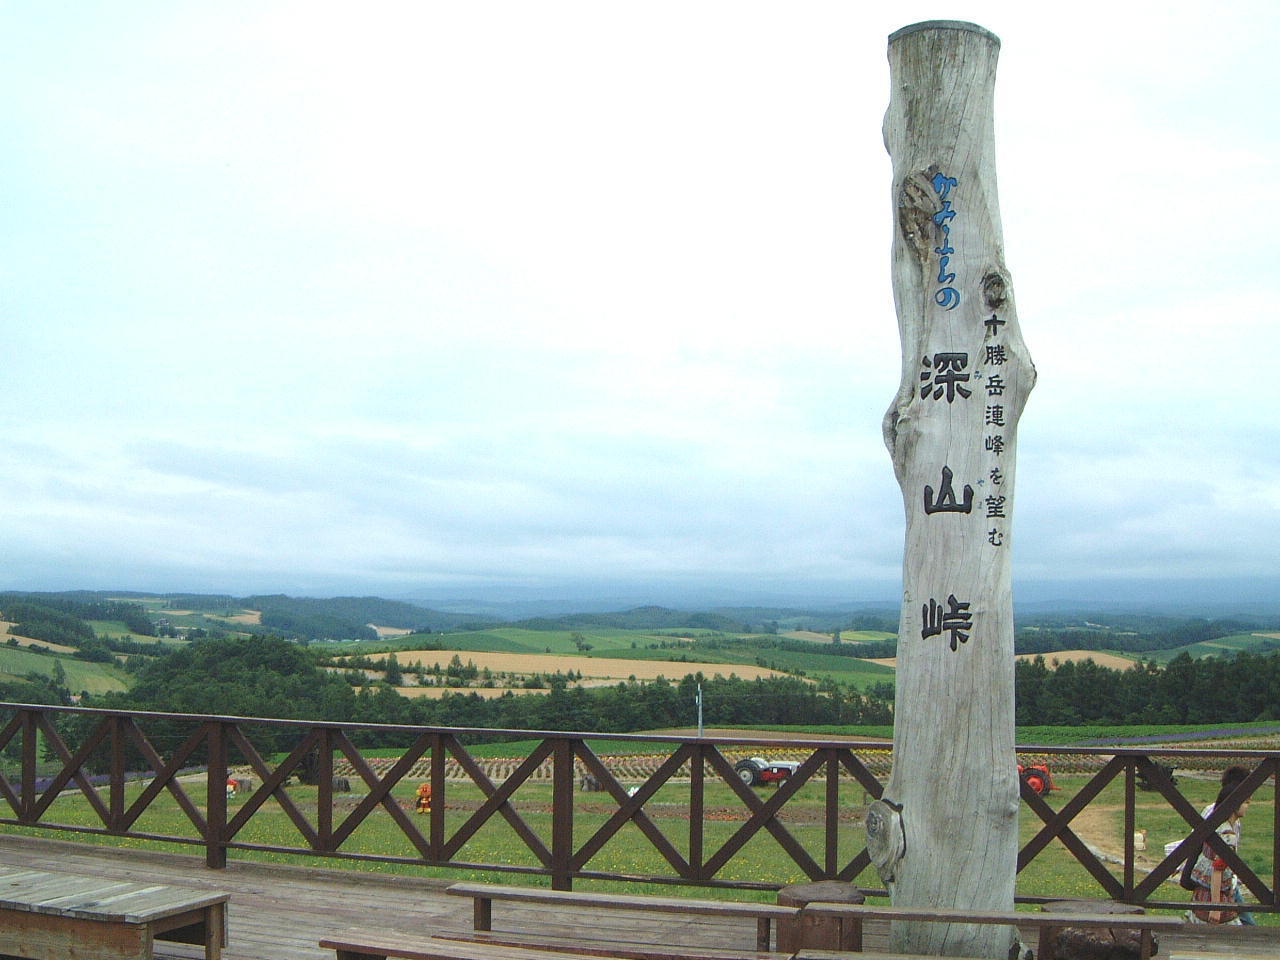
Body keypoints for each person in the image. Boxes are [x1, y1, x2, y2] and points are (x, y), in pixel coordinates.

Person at [1187, 766, 1252, 924]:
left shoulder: (1218, 821)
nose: (1248, 806)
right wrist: (1216, 907)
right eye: (1246, 802)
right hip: (1217, 889)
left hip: (1204, 884)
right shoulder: (1227, 834)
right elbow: (1218, 869)